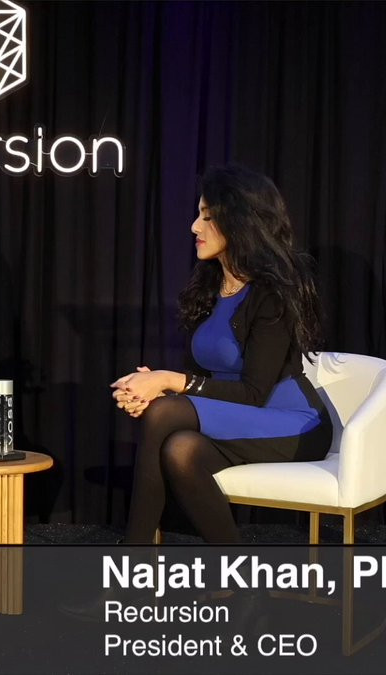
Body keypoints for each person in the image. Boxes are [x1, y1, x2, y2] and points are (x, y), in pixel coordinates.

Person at [110, 165, 332, 544]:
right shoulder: (209, 287)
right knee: (181, 451)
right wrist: (154, 387)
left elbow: (253, 393)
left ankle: (133, 559)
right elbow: (204, 379)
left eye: (208, 217)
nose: (194, 226)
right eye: (198, 215)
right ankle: (237, 572)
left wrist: (168, 383)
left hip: (292, 424)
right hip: (238, 418)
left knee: (165, 413)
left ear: (240, 221)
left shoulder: (272, 293)